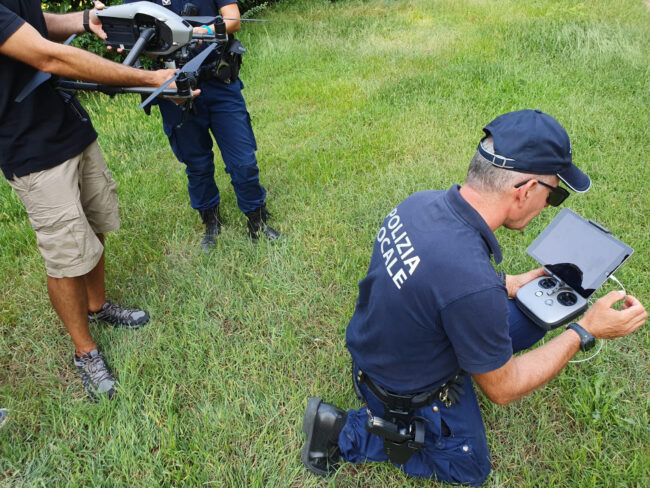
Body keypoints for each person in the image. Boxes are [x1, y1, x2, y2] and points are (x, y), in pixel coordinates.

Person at [300, 110, 647, 485]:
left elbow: (439, 280)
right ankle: (344, 431)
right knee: (471, 469)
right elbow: (504, 388)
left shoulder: (422, 203)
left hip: (378, 351)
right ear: (526, 190)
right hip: (398, 391)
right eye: (555, 194)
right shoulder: (470, 283)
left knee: (530, 314)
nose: (549, 204)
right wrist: (585, 330)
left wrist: (507, 282)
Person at [0, 0, 187, 400]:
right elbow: (48, 54)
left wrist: (85, 21)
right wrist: (148, 77)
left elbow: (33, 24)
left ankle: (98, 306)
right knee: (65, 255)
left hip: (69, 122)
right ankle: (85, 352)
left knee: (96, 220)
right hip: (31, 147)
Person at [124, 0, 280, 249]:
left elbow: (233, 20)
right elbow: (131, 41)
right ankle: (211, 223)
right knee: (197, 164)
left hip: (219, 81)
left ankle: (257, 221)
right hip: (174, 89)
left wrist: (197, 33)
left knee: (243, 160)